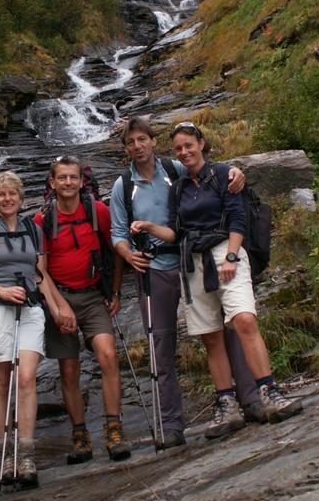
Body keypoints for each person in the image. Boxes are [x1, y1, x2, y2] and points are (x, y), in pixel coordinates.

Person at [130, 121, 303, 437]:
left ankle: (269, 390)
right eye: (179, 148)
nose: (184, 152)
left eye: (189, 145)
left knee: (245, 320)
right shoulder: (179, 186)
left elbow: (238, 217)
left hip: (226, 250)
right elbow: (175, 231)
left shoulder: (224, 174)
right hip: (193, 261)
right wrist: (149, 227)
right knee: (210, 336)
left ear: (201, 144)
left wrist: (233, 257)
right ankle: (227, 405)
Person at [110, 116, 268, 444]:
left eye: (142, 139)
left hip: (191, 262)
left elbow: (209, 175)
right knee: (162, 346)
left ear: (154, 141)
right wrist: (126, 255)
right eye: (130, 142)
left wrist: (238, 171)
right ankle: (171, 426)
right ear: (125, 148)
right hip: (153, 270)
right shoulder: (122, 185)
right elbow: (117, 232)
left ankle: (250, 400)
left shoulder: (175, 170)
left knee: (227, 330)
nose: (137, 146)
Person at [0, 170, 76, 488]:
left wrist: (56, 308)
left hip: (29, 309)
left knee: (26, 377)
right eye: (1, 194)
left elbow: (40, 274)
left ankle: (26, 453)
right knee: (0, 382)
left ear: (21, 197)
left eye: (12, 194)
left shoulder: (32, 229)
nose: (7, 199)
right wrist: (1, 292)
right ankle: (6, 451)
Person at [33, 155, 131, 464]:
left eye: (73, 177)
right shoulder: (42, 220)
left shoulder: (96, 210)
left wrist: (114, 291)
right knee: (69, 369)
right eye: (61, 178)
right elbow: (40, 271)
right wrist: (59, 307)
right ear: (52, 182)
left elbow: (116, 248)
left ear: (81, 180)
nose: (67, 183)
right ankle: (80, 437)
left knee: (108, 355)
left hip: (92, 298)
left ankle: (114, 429)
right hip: (59, 298)